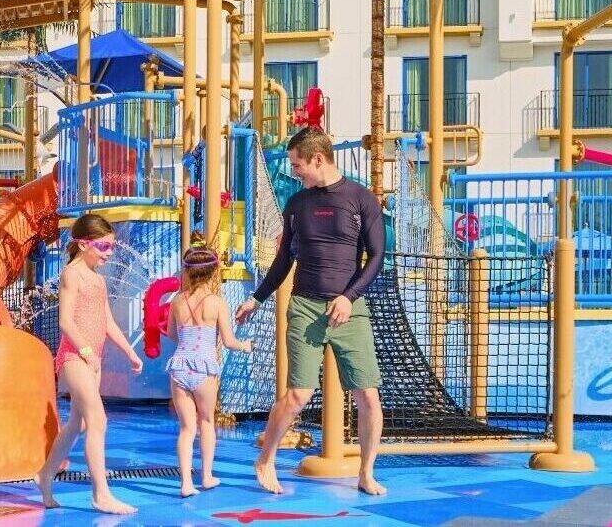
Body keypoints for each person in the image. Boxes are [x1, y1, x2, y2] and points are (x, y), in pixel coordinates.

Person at [235, 126, 387, 497]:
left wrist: (349, 296)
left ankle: (366, 473)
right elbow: (284, 260)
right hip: (305, 306)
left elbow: (377, 257)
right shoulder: (297, 205)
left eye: (298, 164)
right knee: (298, 394)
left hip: (349, 308)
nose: (295, 171)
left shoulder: (361, 198)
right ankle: (265, 459)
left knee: (368, 395)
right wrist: (256, 298)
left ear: (318, 159)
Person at [35, 213, 144, 515]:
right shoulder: (73, 274)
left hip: (91, 360)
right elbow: (66, 321)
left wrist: (129, 352)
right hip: (73, 357)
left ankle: (44, 475)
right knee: (99, 421)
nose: (109, 254)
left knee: (78, 424)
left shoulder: (97, 279)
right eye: (103, 247)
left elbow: (107, 321)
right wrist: (85, 351)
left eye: (111, 247)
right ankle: (101, 494)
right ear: (83, 245)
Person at [165, 238, 252, 497]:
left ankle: (185, 484)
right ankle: (206, 476)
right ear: (214, 272)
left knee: (186, 428)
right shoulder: (216, 303)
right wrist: (246, 346)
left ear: (188, 272)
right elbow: (228, 341)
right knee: (206, 422)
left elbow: (171, 334)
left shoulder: (177, 301)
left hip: (180, 365)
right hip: (204, 368)